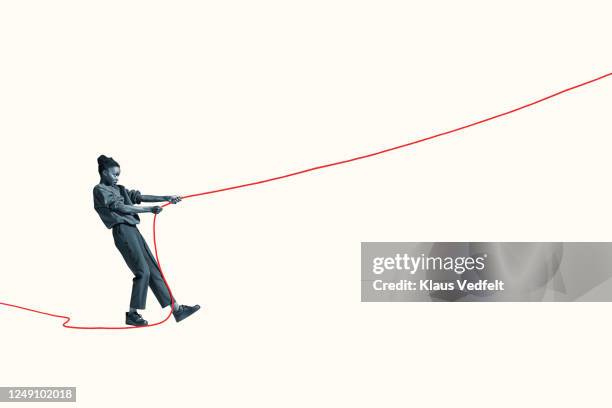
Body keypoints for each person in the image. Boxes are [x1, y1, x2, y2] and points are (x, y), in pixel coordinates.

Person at [93, 154, 200, 326]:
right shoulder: (99, 190)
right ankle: (132, 314)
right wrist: (150, 210)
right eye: (114, 174)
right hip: (122, 231)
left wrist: (166, 198)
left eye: (118, 174)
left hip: (133, 231)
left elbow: (138, 197)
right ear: (104, 172)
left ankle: (177, 309)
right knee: (143, 271)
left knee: (153, 269)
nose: (117, 177)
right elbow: (120, 207)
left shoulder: (119, 189)